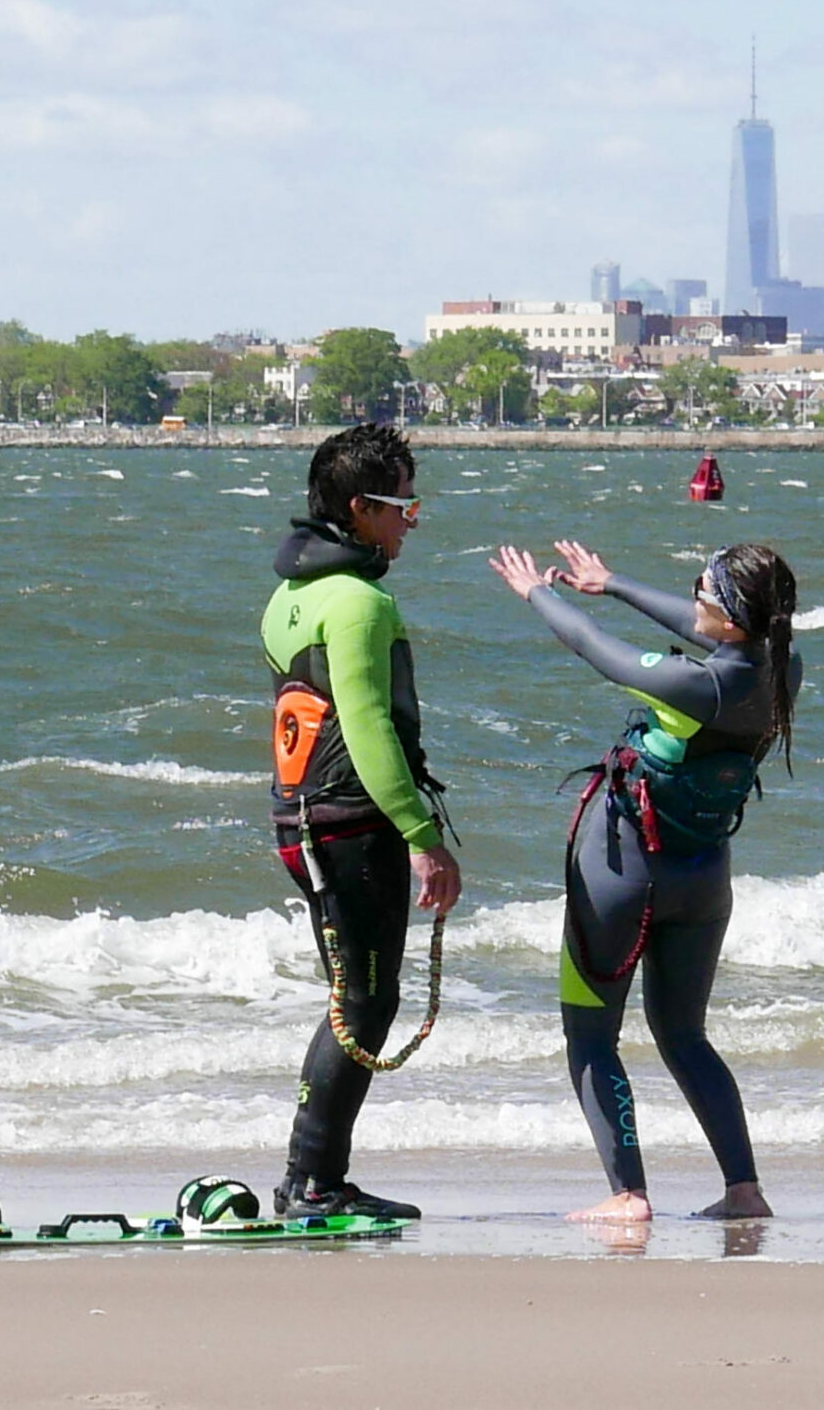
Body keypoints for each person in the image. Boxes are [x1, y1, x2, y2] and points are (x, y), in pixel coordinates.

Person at [489, 538, 801, 1223]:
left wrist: (537, 593)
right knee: (685, 1035)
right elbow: (700, 629)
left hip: (623, 876)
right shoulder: (782, 669)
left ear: (734, 613)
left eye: (703, 589)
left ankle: (628, 1194)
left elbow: (593, 647)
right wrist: (613, 581)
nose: (692, 599)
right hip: (704, 878)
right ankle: (744, 1189)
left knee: (591, 1036)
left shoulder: (697, 685)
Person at [263, 423, 461, 1220]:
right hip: (353, 824)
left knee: (354, 997)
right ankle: (312, 1179)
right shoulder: (360, 602)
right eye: (401, 504)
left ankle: (310, 1177)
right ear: (359, 509)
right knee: (364, 1003)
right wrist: (422, 836)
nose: (412, 519)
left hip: (301, 818)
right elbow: (371, 727)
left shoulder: (291, 594)